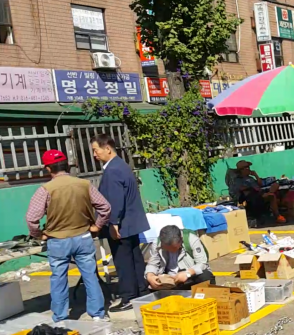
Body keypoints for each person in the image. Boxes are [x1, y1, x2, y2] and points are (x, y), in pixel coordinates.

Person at [26, 150, 111, 322]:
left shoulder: (45, 189)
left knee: (59, 279)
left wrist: (39, 235)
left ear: (48, 169)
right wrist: (97, 226)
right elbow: (105, 207)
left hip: (58, 240)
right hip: (83, 237)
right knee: (90, 276)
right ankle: (97, 314)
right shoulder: (84, 184)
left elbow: (31, 218)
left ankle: (61, 317)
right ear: (67, 166)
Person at [91, 135, 151, 312]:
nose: (94, 154)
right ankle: (141, 291)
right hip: (131, 222)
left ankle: (129, 297)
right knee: (135, 258)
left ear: (107, 149)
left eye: (96, 150)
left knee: (123, 262)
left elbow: (115, 199)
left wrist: (113, 223)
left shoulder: (112, 170)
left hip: (122, 224)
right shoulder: (122, 165)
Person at [145, 225, 214, 290]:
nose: (171, 251)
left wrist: (188, 273)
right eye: (167, 249)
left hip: (190, 276)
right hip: (169, 279)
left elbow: (202, 263)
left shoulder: (191, 239)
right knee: (145, 282)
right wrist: (150, 275)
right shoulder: (156, 244)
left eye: (173, 248)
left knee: (205, 276)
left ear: (181, 240)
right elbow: (153, 264)